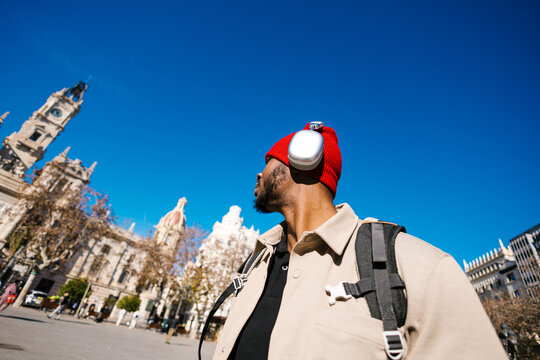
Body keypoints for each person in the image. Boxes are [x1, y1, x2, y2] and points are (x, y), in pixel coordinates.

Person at [213, 123, 507, 360]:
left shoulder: (417, 267)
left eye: (268, 161)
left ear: (302, 157)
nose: (258, 172)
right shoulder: (254, 265)